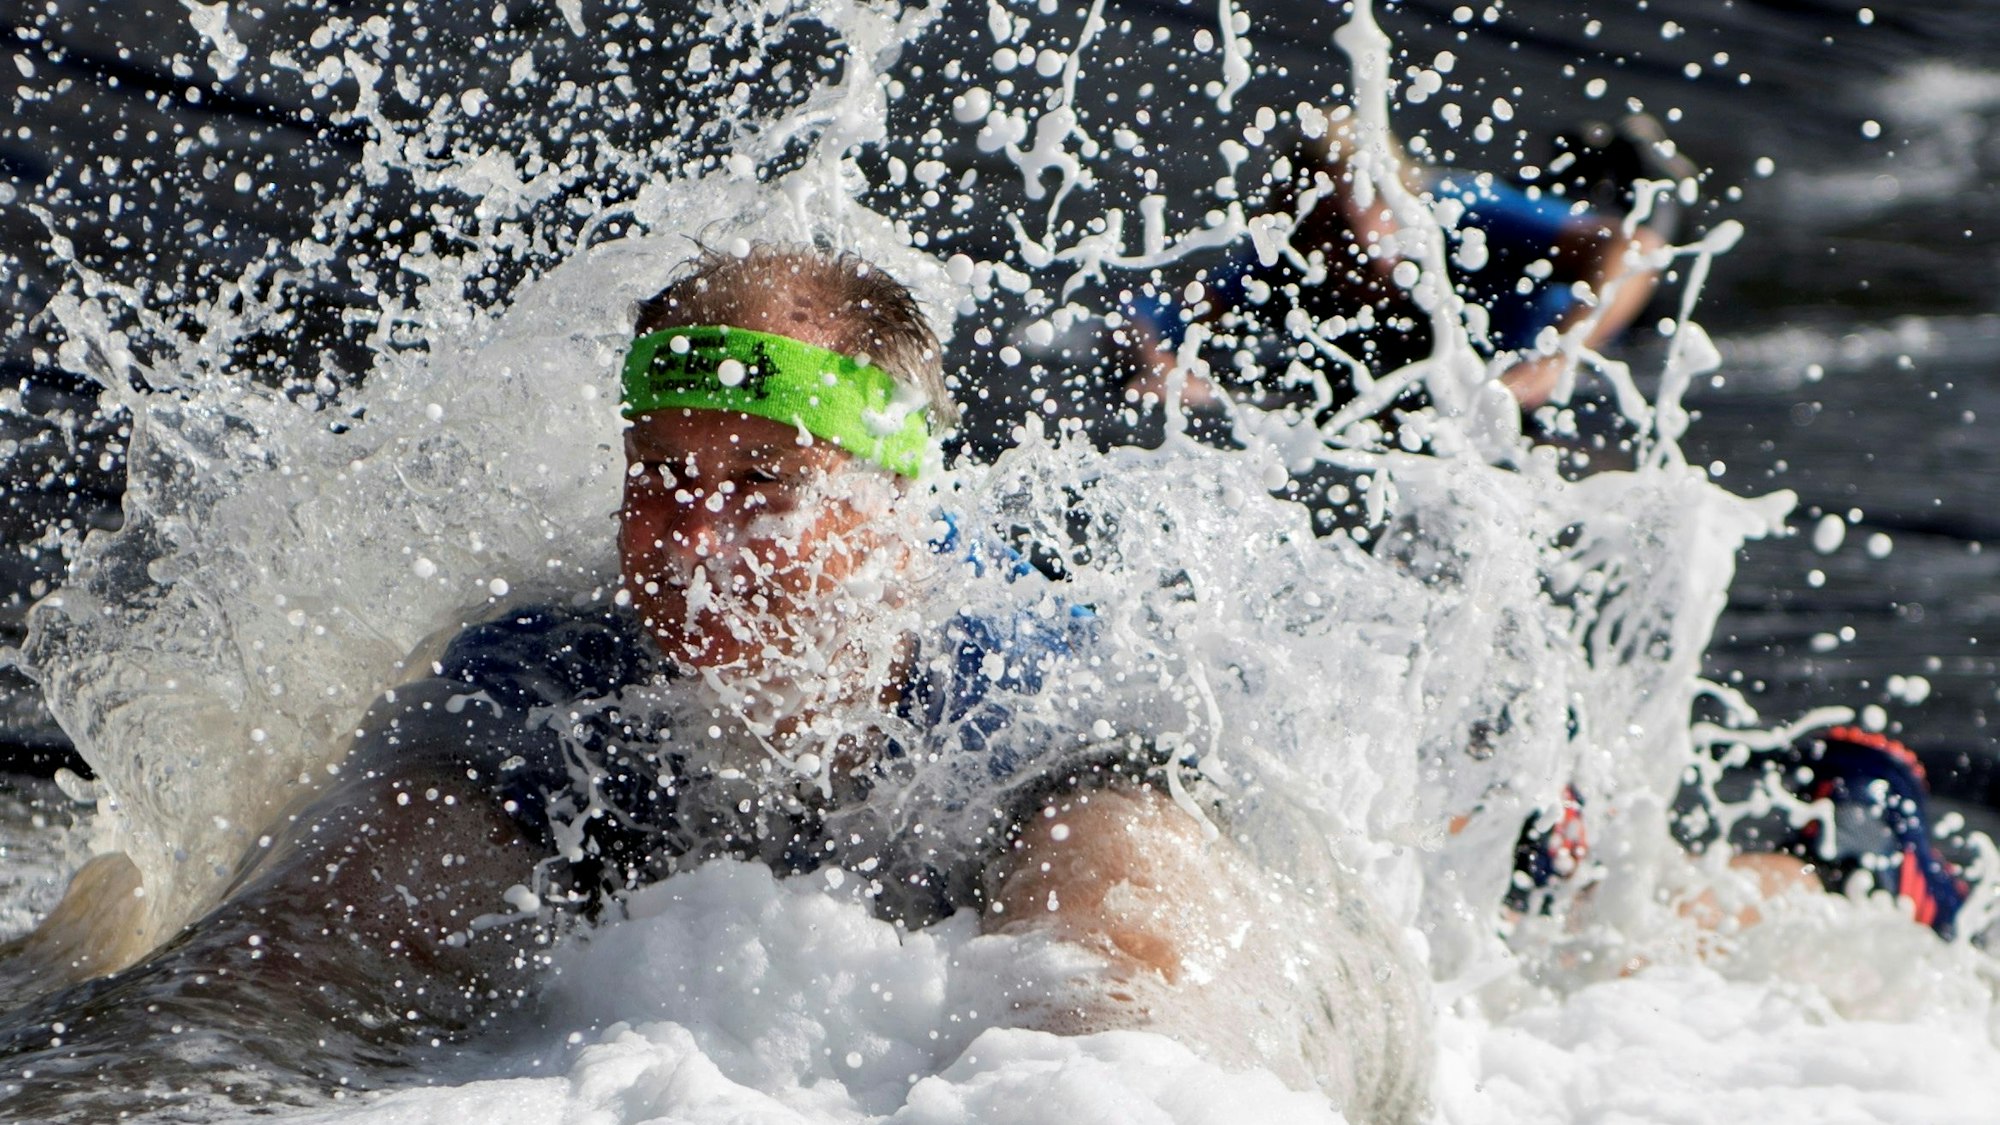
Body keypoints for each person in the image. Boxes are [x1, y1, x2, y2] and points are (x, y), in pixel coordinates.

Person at [0, 244, 1430, 1121]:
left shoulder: (1039, 700)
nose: (692, 541)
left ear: (893, 500)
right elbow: (301, 956)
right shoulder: (554, 690)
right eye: (660, 481)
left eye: (762, 483)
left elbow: (1136, 1001)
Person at [1114, 113, 1690, 429]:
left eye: (1341, 224)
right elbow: (1150, 315)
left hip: (1564, 308)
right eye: (1305, 225)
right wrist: (1163, 368)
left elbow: (1634, 254)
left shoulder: (1451, 215)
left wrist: (1556, 360)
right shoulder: (1284, 258)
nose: (1323, 249)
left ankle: (1644, 169)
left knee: (1645, 219)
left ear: (1389, 208)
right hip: (1430, 360)